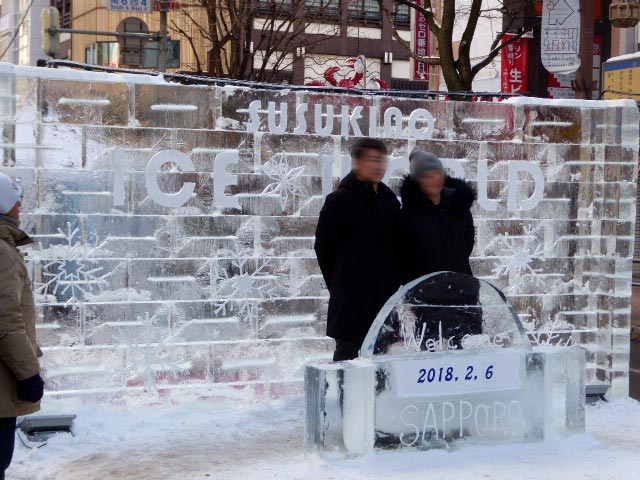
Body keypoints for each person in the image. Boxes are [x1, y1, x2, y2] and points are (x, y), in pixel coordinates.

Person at [315, 138, 400, 361]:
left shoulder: (390, 201)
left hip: (384, 297)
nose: (378, 166)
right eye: (372, 160)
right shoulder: (339, 201)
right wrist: (341, 283)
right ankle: (345, 397)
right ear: (356, 162)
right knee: (347, 358)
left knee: (383, 360)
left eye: (381, 160)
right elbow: (324, 249)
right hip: (351, 299)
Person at [398, 148, 480, 349]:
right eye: (426, 175)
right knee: (432, 352)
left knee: (470, 351)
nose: (433, 179)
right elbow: (402, 255)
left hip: (464, 294)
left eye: (436, 173)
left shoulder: (460, 209)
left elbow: (467, 244)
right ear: (417, 180)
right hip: (427, 299)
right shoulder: (407, 215)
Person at [0, 173, 45, 480]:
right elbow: (6, 322)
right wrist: (28, 373)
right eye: (16, 199)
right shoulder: (2, 251)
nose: (20, 205)